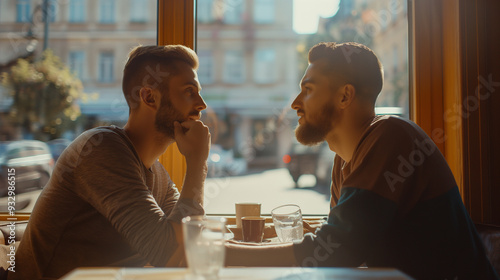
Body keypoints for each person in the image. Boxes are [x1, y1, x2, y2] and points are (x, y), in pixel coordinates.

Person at [225, 42, 499, 280]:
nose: (295, 103)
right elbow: (339, 241)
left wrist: (224, 254)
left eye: (307, 89)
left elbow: (340, 249)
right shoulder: (343, 159)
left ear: (344, 95)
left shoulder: (390, 135)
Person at [10, 45, 210, 280]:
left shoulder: (158, 175)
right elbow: (166, 253)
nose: (202, 104)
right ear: (149, 97)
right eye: (189, 91)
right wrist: (197, 163)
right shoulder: (101, 148)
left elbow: (185, 250)